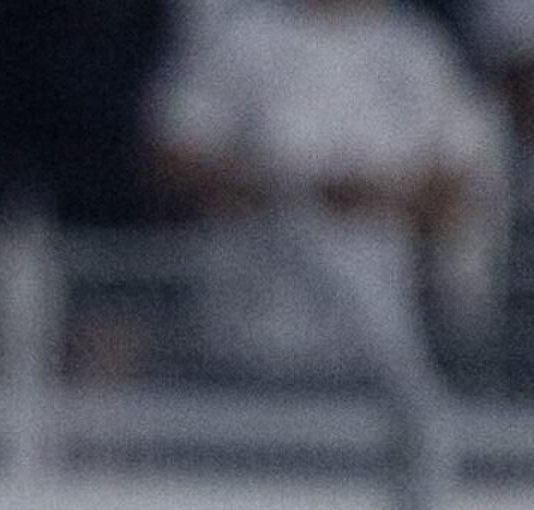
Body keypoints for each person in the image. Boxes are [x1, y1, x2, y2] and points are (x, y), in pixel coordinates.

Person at [146, 0, 497, 381]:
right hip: (248, 324)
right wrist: (290, 192)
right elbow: (173, 154)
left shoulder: (419, 47)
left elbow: (458, 180)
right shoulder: (241, 36)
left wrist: (371, 201)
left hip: (383, 341)